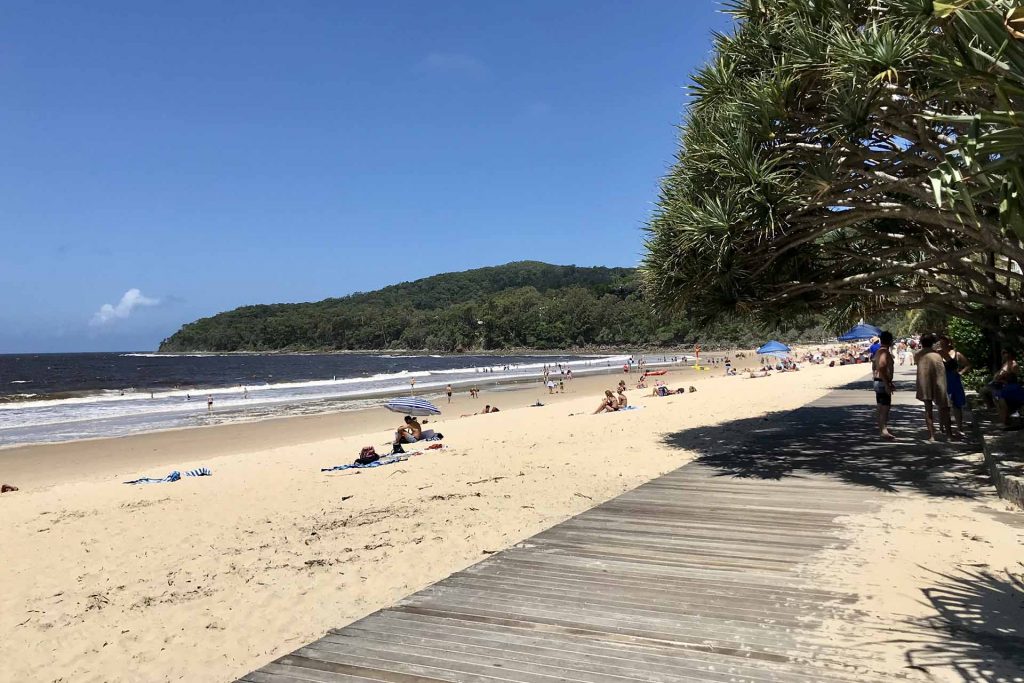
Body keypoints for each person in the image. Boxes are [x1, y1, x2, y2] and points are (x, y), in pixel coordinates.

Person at [915, 333, 949, 442]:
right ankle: (949, 434)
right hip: (939, 381)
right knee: (944, 407)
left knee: (928, 409)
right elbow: (951, 361)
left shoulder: (918, 354)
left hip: (924, 383)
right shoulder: (938, 354)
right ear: (932, 343)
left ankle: (932, 435)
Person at [937, 334, 971, 438]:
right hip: (943, 381)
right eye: (940, 342)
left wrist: (961, 372)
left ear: (949, 343)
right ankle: (942, 426)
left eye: (944, 342)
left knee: (957, 405)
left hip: (955, 381)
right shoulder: (938, 354)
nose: (942, 344)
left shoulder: (956, 354)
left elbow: (968, 364)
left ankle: (959, 428)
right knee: (942, 405)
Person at [872, 331, 896, 440]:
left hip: (879, 381)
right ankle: (883, 430)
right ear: (890, 341)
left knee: (880, 405)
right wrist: (887, 383)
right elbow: (881, 368)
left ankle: (882, 428)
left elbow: (875, 367)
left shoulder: (879, 351)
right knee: (885, 407)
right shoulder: (884, 352)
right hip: (882, 382)